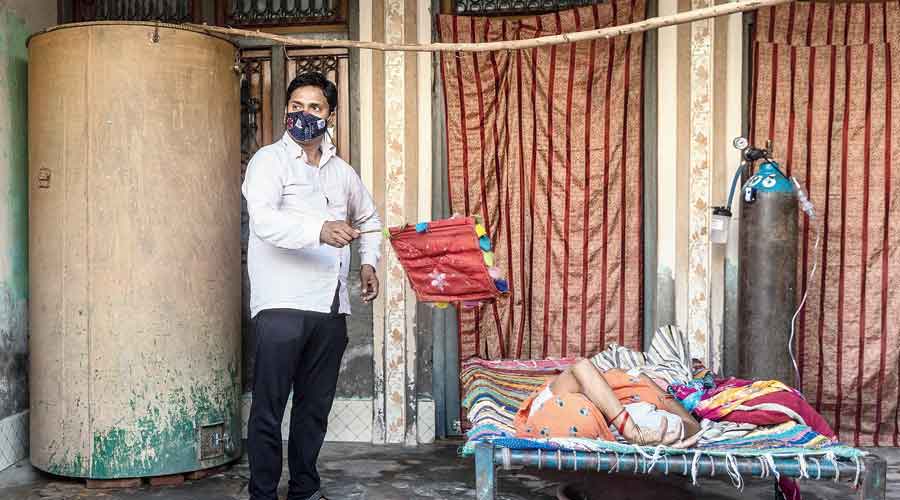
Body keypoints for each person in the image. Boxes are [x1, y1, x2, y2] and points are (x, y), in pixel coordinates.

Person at [242, 72, 382, 500]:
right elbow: (264, 221)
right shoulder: (269, 161)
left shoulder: (342, 173)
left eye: (315, 107)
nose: (304, 114)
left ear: (331, 116)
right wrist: (319, 229)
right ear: (287, 111)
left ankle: (304, 488)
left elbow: (370, 221)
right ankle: (262, 494)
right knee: (268, 410)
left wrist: (368, 263)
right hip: (280, 306)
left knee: (313, 410)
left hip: (330, 308)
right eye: (296, 106)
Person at [515, 359, 701, 447]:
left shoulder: (649, 400)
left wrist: (669, 435)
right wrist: (631, 431)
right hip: (560, 411)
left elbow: (693, 426)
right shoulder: (617, 379)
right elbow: (583, 368)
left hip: (599, 428)